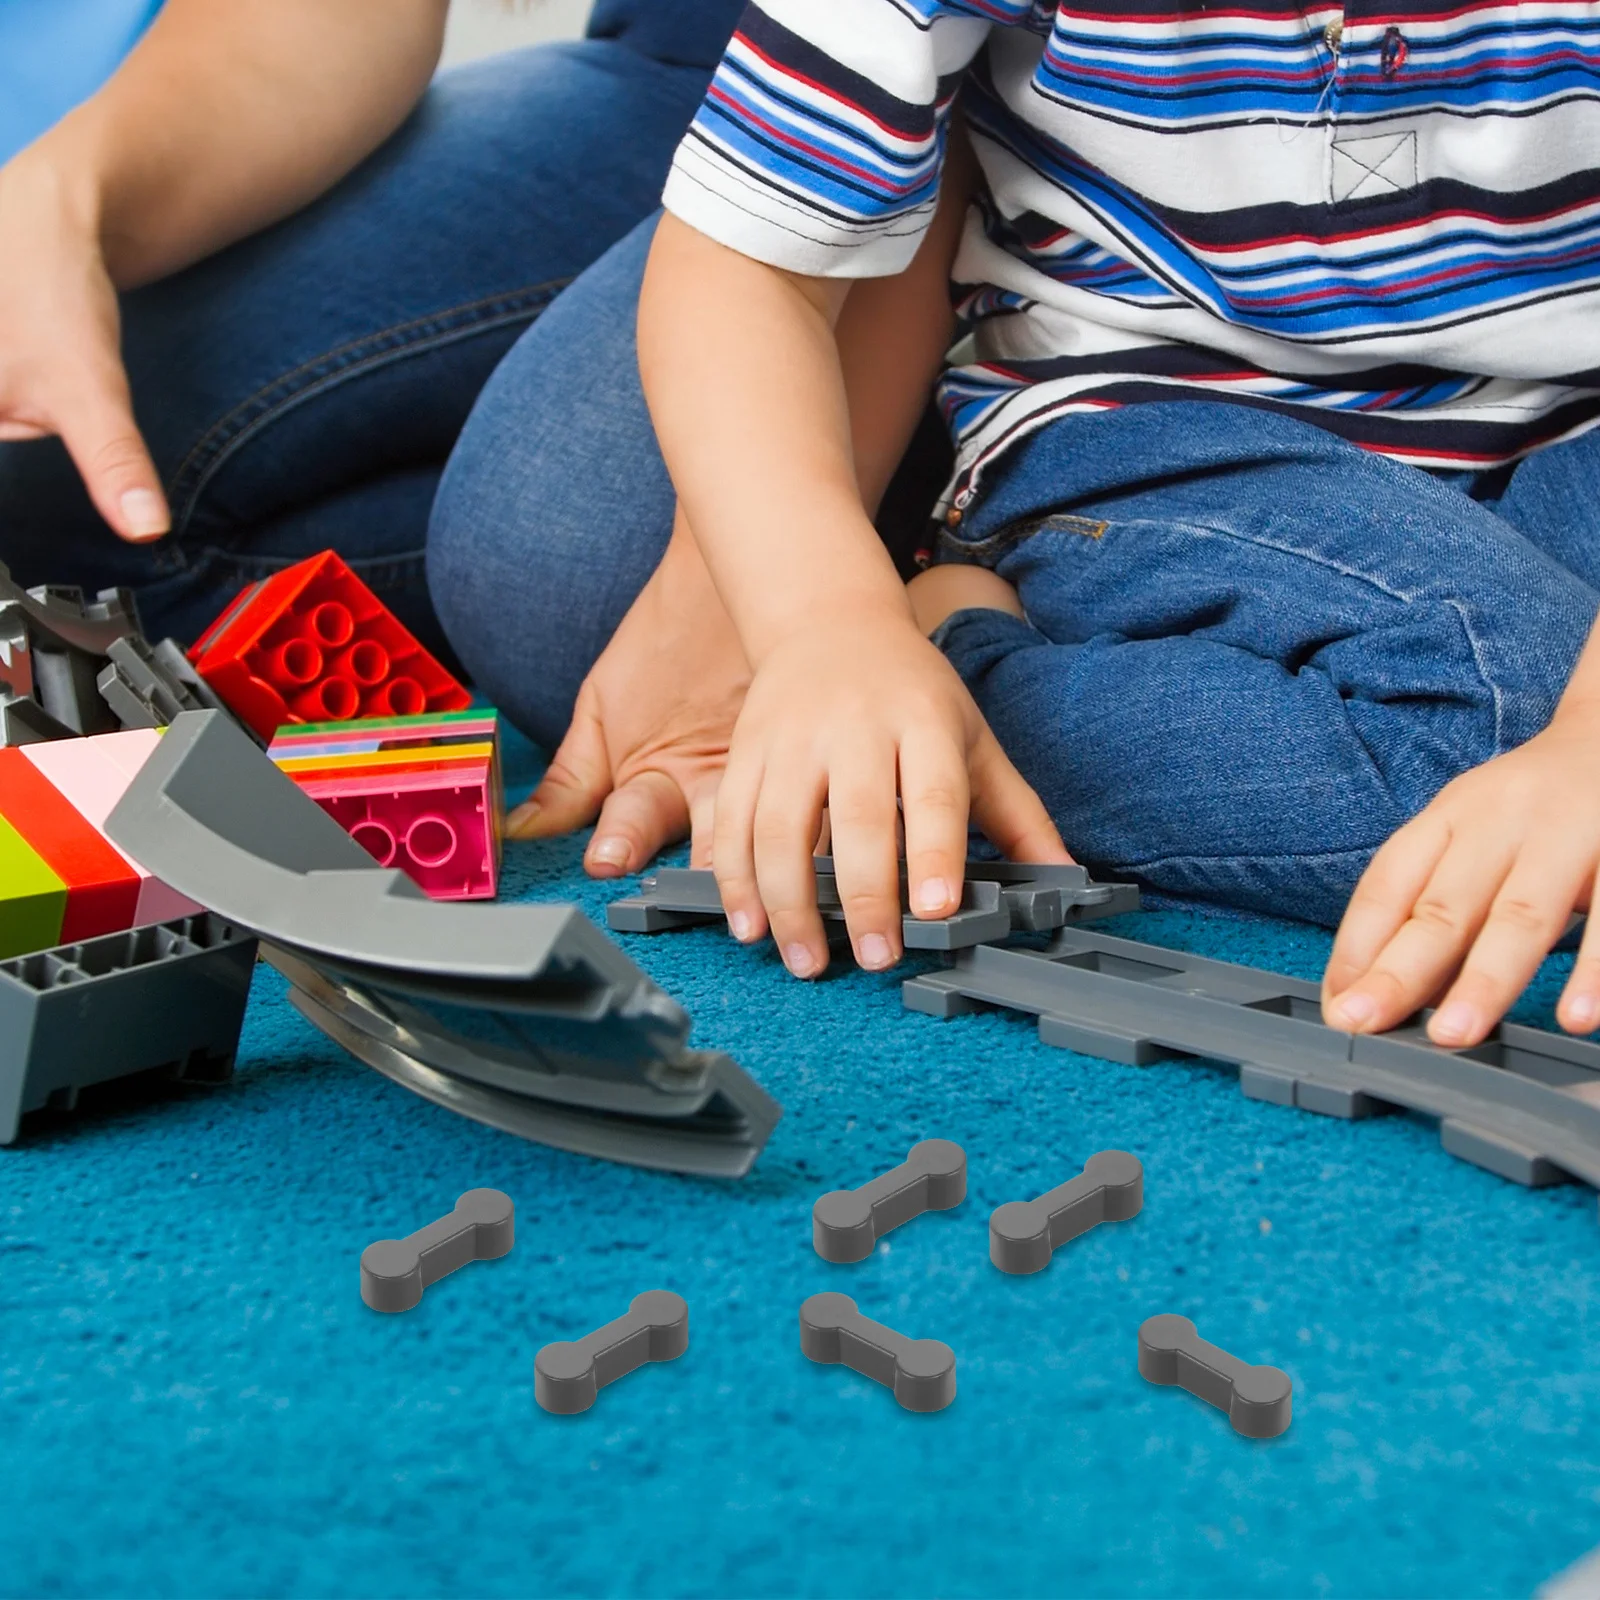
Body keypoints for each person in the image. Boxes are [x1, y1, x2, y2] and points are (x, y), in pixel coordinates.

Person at [428, 0, 1600, 1050]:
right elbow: (748, 269)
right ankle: (942, 669)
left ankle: (979, 676)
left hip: (1563, 427)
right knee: (1502, 714)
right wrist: (825, 624)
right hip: (1162, 422)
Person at [0, 0, 745, 653]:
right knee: (49, 514)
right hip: (664, 55)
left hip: (814, 103)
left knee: (548, 605)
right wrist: (58, 203)